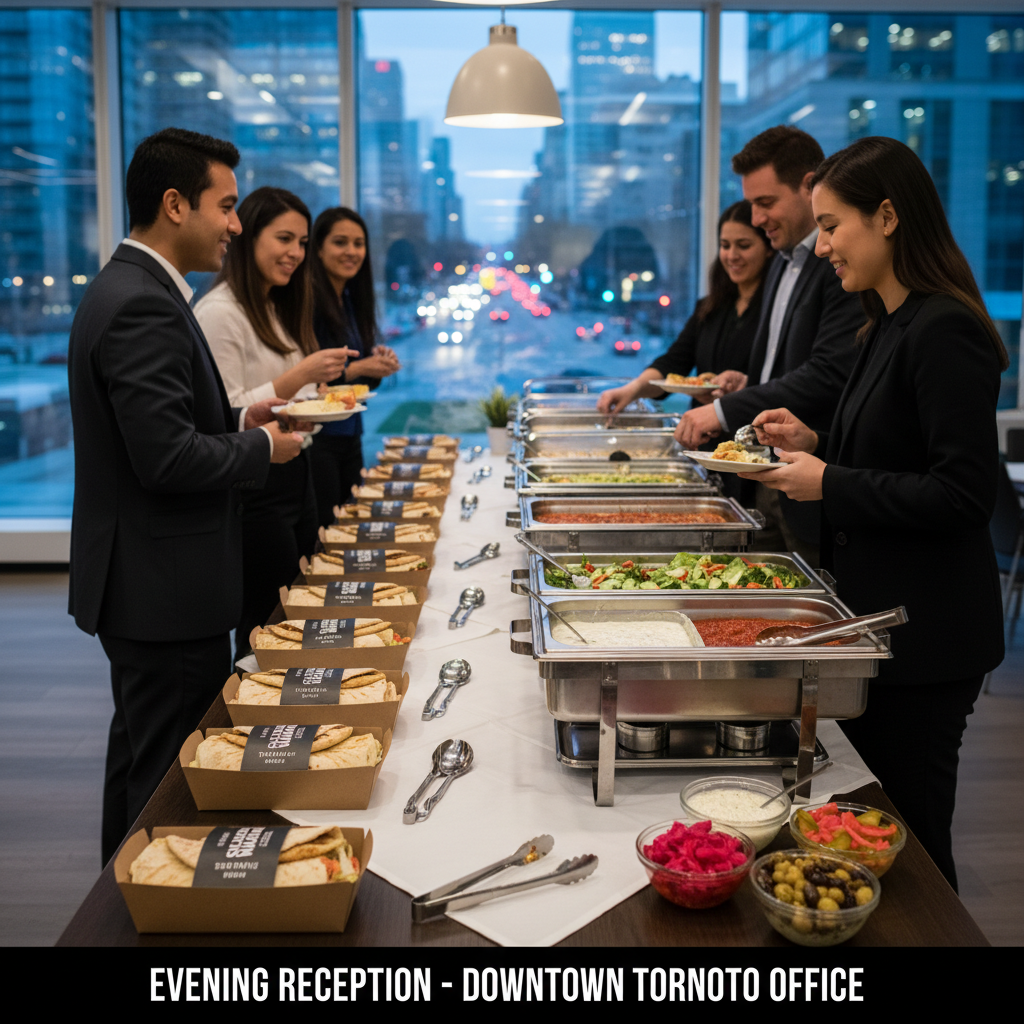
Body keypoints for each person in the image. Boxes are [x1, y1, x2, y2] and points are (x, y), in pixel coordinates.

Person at [741, 136, 1007, 890]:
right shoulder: (884, 321)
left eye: (832, 225)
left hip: (927, 637)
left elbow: (962, 494)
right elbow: (894, 454)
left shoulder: (943, 327)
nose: (820, 246)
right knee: (871, 831)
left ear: (887, 216)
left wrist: (830, 481)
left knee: (912, 846)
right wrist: (814, 442)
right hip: (880, 623)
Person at [67, 128, 308, 864]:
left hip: (148, 583)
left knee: (140, 758)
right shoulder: (141, 303)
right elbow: (166, 460)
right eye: (227, 207)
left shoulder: (135, 289)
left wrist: (242, 418)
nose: (235, 226)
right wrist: (264, 447)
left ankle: (114, 898)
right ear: (175, 205)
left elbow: (170, 429)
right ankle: (146, 907)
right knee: (170, 775)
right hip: (164, 589)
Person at [675, 126, 864, 563]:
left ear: (809, 185)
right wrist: (747, 384)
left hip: (815, 484)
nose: (757, 218)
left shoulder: (839, 266)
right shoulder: (781, 263)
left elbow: (829, 373)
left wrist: (722, 411)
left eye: (766, 203)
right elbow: (783, 365)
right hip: (767, 474)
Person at [195, 187, 354, 661]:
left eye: (302, 242)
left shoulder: (273, 306)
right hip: (255, 486)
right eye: (285, 238)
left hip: (293, 477)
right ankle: (258, 721)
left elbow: (289, 401)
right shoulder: (220, 313)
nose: (296, 254)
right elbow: (222, 413)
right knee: (266, 624)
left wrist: (320, 399)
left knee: (293, 611)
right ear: (247, 236)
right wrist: (299, 376)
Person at [596, 201, 771, 417]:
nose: (732, 255)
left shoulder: (776, 311)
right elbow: (674, 363)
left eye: (743, 245)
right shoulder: (710, 307)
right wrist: (632, 390)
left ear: (769, 249)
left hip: (752, 435)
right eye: (725, 245)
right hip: (703, 436)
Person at [307, 207, 401, 527]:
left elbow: (357, 382)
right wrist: (361, 368)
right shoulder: (309, 303)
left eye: (358, 243)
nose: (351, 252)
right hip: (317, 441)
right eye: (340, 242)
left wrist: (376, 365)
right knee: (330, 534)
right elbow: (311, 388)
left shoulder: (348, 300)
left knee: (351, 526)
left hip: (350, 433)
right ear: (318, 248)